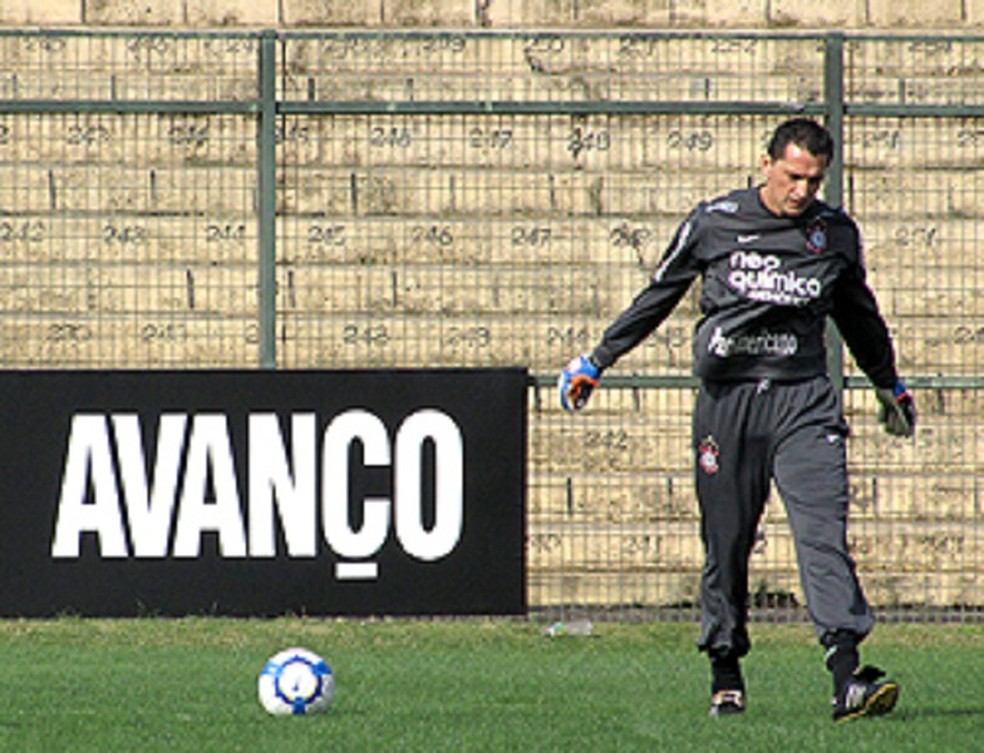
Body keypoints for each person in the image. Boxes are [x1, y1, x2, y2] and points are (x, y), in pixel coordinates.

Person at [558, 117, 916, 722]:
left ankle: (847, 674)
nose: (802, 191)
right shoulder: (714, 221)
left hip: (804, 400)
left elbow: (859, 315)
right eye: (793, 175)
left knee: (822, 535)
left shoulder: (834, 235)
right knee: (727, 544)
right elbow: (658, 295)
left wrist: (889, 385)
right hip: (728, 404)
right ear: (766, 163)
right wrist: (598, 359)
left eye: (815, 180)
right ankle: (725, 670)